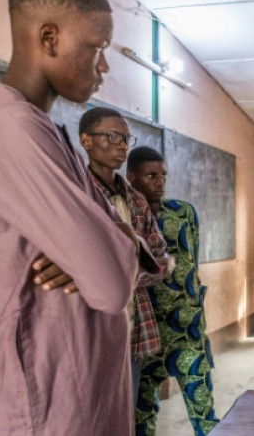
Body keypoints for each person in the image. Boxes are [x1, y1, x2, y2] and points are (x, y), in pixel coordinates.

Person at [0, 0, 152, 434]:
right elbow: (107, 284)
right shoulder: (11, 128)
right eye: (97, 48)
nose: (103, 66)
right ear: (48, 38)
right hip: (45, 402)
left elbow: (111, 256)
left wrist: (110, 240)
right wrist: (109, 246)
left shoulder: (47, 131)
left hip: (77, 388)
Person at [77, 107, 173, 402]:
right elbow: (77, 263)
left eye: (126, 139)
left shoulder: (135, 200)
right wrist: (130, 267)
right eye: (112, 136)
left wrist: (112, 274)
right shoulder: (74, 194)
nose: (121, 145)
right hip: (86, 327)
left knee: (124, 413)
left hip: (132, 327)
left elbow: (158, 260)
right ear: (86, 140)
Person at [128, 146, 220, 436]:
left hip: (186, 331)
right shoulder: (122, 216)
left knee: (204, 410)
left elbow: (192, 258)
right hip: (145, 334)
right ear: (132, 177)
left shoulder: (183, 213)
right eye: (151, 175)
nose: (160, 182)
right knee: (141, 416)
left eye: (163, 175)